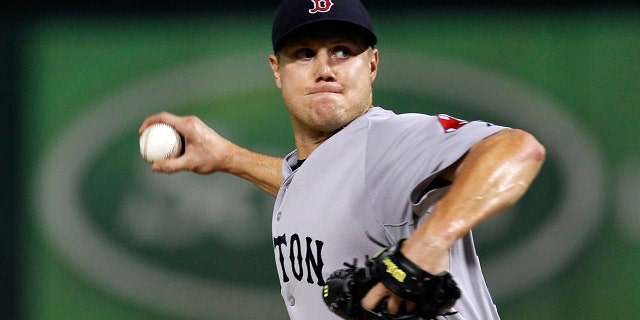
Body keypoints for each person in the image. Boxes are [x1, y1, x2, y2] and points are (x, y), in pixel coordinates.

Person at [139, 0, 546, 319]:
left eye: (342, 51)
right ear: (276, 70)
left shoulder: (388, 140)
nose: (324, 69)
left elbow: (517, 149)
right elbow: (326, 193)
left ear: (371, 64)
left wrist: (431, 240)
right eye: (303, 53)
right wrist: (229, 157)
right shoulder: (330, 166)